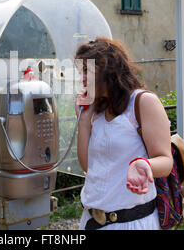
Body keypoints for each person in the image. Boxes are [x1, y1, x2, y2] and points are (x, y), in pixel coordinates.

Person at [74, 37, 172, 230]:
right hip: (93, 220)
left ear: (106, 69)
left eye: (86, 70)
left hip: (130, 222)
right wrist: (84, 120)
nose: (81, 78)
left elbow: (165, 161)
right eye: (80, 72)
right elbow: (88, 166)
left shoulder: (143, 102)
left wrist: (143, 164)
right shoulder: (99, 109)